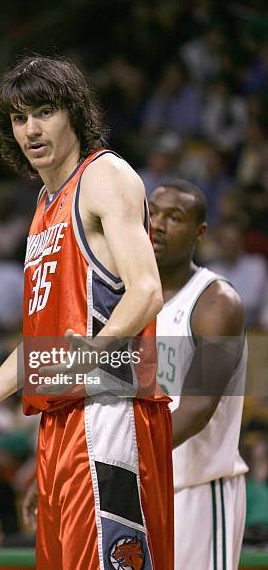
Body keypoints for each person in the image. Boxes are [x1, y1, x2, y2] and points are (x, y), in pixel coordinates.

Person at [0, 56, 173, 569]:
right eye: (20, 118)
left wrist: (86, 359)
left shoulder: (104, 175)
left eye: (44, 111)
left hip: (106, 412)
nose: (32, 129)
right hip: (59, 422)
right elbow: (41, 348)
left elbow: (146, 291)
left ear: (75, 115)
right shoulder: (45, 203)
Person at [148, 180, 248, 570]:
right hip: (141, 487)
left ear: (200, 232)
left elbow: (198, 408)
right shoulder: (127, 300)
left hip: (199, 491)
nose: (157, 224)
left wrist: (125, 458)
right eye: (152, 212)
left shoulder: (216, 301)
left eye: (174, 217)